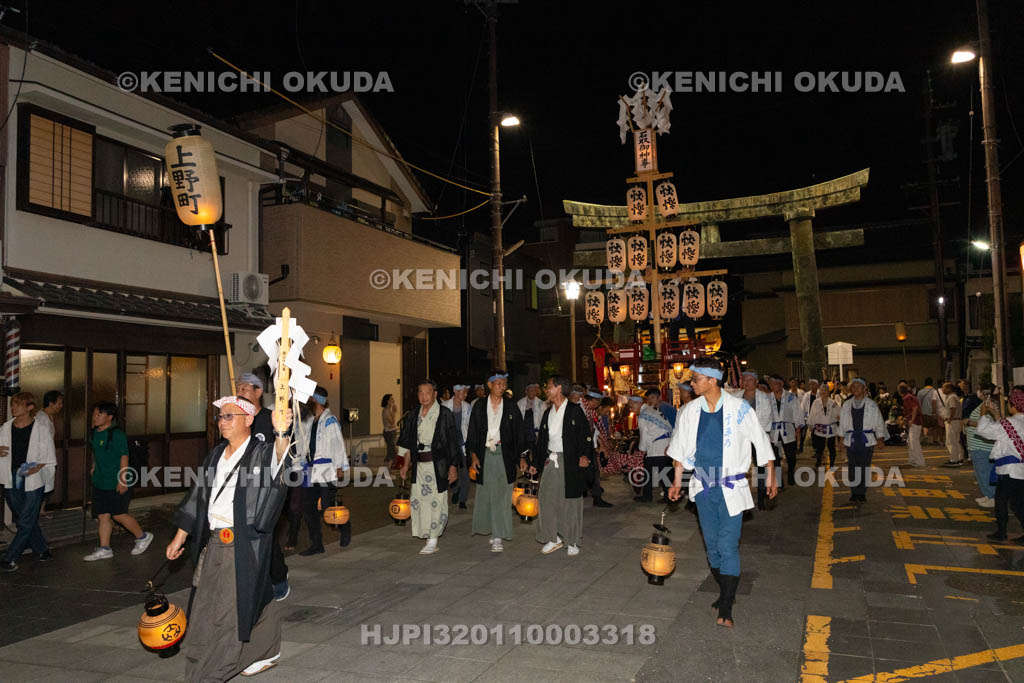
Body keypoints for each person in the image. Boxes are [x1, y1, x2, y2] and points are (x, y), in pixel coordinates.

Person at [165, 395, 293, 680]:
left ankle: (209, 674)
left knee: (226, 612)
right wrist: (180, 536)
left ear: (248, 420)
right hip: (213, 543)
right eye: (220, 417)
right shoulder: (215, 456)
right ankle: (266, 649)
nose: (222, 422)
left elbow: (280, 461)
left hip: (242, 543)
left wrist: (282, 432)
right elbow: (197, 496)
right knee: (211, 604)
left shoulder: (261, 453)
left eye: (229, 416)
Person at [667, 357, 777, 628]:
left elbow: (761, 443)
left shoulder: (740, 409)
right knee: (713, 548)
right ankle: (725, 589)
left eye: (695, 379)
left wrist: (771, 476)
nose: (691, 383)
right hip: (703, 488)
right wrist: (677, 481)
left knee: (728, 546)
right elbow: (679, 451)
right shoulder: (690, 411)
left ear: (711, 380)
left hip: (732, 487)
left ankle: (726, 605)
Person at [236, 372, 290, 601]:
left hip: (267, 487)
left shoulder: (271, 418)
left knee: (264, 534)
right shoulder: (237, 419)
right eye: (238, 389)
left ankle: (278, 578)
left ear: (258, 392)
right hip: (241, 486)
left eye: (245, 389)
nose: (240, 393)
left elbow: (282, 452)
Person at [528, 376, 593, 557]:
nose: (546, 390)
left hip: (570, 461)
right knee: (546, 499)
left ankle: (571, 540)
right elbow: (542, 442)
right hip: (551, 460)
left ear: (558, 388)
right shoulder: (548, 413)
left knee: (570, 502)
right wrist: (536, 464)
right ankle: (553, 537)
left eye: (548, 387)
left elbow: (586, 435)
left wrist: (584, 455)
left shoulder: (574, 411)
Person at [82, 401, 154, 562]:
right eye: (94, 414)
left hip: (117, 481)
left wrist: (123, 480)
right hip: (100, 481)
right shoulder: (94, 433)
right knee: (103, 516)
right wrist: (94, 466)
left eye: (99, 414)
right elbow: (99, 453)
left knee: (119, 515)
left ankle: (142, 537)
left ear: (109, 417)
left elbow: (124, 457)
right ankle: (105, 548)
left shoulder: (116, 434)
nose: (95, 417)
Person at [465, 371, 527, 552]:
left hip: (504, 455)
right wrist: (473, 455)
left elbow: (519, 433)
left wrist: (522, 457)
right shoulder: (479, 406)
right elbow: (473, 432)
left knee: (503, 495)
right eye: (498, 383)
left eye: (504, 383)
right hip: (484, 454)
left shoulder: (511, 406)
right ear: (489, 385)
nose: (502, 386)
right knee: (486, 494)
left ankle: (498, 535)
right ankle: (490, 528)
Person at [397, 380, 461, 554]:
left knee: (436, 501)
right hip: (419, 465)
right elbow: (409, 443)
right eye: (420, 392)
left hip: (437, 465)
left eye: (427, 392)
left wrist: (452, 466)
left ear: (434, 394)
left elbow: (451, 443)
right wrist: (404, 465)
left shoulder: (444, 414)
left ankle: (433, 539)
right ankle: (426, 534)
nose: (424, 396)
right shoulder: (413, 415)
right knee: (418, 500)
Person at [0, 392, 56, 570]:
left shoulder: (40, 428)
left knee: (24, 520)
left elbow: (48, 455)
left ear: (30, 407)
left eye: (17, 404)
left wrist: (37, 467)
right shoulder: (6, 427)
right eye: (12, 404)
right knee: (24, 517)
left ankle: (10, 558)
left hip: (32, 476)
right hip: (14, 475)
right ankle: (42, 549)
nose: (13, 407)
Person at [293, 386, 351, 555]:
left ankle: (345, 526)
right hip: (309, 469)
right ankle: (316, 543)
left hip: (326, 469)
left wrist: (340, 466)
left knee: (327, 506)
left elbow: (337, 443)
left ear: (314, 400)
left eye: (309, 399)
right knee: (308, 507)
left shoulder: (329, 420)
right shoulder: (308, 421)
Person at [976, 388, 1024, 543]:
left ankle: (1001, 532)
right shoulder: (1016, 422)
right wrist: (996, 415)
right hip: (1020, 469)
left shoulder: (1012, 422)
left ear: (1013, 405)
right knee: (1018, 502)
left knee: (1002, 501)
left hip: (1010, 470)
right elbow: (1005, 429)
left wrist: (983, 414)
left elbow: (985, 431)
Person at [729, 371, 773, 510]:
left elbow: (765, 420)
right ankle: (737, 497)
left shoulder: (764, 398)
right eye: (745, 380)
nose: (747, 382)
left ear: (756, 382)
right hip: (739, 440)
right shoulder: (735, 397)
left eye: (750, 380)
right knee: (737, 468)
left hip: (757, 438)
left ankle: (761, 498)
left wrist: (752, 433)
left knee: (760, 468)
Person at [839, 378, 887, 504]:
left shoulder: (871, 404)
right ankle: (854, 492)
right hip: (852, 439)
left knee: (864, 466)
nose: (855, 389)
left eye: (858, 386)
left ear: (864, 389)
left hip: (867, 440)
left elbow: (878, 422)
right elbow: (842, 424)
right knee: (852, 466)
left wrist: (880, 438)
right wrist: (841, 439)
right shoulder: (846, 404)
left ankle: (862, 492)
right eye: (853, 387)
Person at [637, 388, 674, 503]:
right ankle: (667, 495)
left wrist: (642, 449)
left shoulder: (664, 409)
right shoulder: (655, 410)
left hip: (662, 445)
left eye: (652, 398)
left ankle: (651, 496)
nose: (650, 401)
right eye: (648, 399)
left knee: (655, 471)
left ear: (659, 397)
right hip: (665, 444)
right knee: (664, 471)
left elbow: (645, 433)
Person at [963, 384, 996, 508]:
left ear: (983, 393)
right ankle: (988, 495)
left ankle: (992, 496)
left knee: (985, 472)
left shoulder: (988, 405)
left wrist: (969, 423)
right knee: (981, 473)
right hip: (977, 445)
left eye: (979, 390)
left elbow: (988, 424)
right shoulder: (984, 405)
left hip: (982, 446)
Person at [442, 384, 473, 511]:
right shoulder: (444, 406)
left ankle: (462, 499)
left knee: (464, 470)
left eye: (466, 393)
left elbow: (470, 425)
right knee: (450, 468)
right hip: (448, 442)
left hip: (462, 442)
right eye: (463, 392)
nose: (465, 395)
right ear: (455, 391)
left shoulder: (467, 407)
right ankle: (455, 489)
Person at [580, 390, 613, 507]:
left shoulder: (589, 411)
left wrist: (602, 445)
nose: (598, 405)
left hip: (590, 446)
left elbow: (594, 429)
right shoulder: (580, 408)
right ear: (593, 400)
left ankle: (596, 495)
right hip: (582, 447)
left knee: (594, 472)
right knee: (589, 473)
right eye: (597, 402)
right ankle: (592, 494)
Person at [767, 376, 800, 487]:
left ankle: (791, 472)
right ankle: (779, 480)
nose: (772, 386)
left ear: (781, 384)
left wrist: (798, 428)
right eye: (770, 384)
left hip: (788, 429)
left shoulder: (791, 397)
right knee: (775, 457)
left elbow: (797, 412)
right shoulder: (767, 397)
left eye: (774, 383)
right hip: (774, 431)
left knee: (791, 456)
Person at [36, 390, 63, 519]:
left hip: (49, 458)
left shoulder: (49, 417)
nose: (61, 406)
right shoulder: (41, 419)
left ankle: (41, 510)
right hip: (43, 459)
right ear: (51, 403)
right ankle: (37, 511)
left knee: (47, 485)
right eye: (59, 403)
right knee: (42, 485)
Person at [808, 384, 840, 468]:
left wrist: (838, 418)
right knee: (819, 448)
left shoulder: (833, 402)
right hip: (819, 428)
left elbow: (839, 413)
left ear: (828, 391)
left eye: (825, 390)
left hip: (831, 428)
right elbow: (812, 414)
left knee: (831, 447)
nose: (824, 392)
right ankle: (818, 461)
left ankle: (832, 463)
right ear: (820, 391)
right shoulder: (816, 402)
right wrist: (811, 425)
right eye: (822, 390)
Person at [899, 384, 925, 467]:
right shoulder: (910, 396)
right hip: (915, 421)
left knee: (914, 442)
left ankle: (919, 462)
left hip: (915, 421)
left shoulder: (908, 398)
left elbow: (915, 408)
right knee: (910, 442)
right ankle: (912, 460)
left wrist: (912, 420)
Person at [516, 383, 547, 451]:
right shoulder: (519, 403)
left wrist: (540, 435)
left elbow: (544, 421)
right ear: (526, 392)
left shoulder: (541, 404)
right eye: (531, 390)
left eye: (534, 390)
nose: (533, 392)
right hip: (523, 434)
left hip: (535, 434)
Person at [940, 382, 964, 467]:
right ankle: (959, 457)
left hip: (953, 421)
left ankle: (954, 459)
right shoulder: (955, 396)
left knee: (951, 441)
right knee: (956, 441)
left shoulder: (951, 397)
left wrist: (950, 418)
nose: (942, 389)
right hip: (956, 421)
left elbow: (952, 408)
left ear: (949, 389)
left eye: (944, 387)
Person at [797, 379, 820, 453]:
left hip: (817, 418)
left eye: (813, 384)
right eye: (810, 384)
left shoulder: (820, 394)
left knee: (815, 434)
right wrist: (802, 417)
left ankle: (816, 449)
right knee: (803, 433)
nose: (812, 386)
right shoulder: (807, 394)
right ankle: (800, 447)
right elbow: (803, 406)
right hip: (807, 417)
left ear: (817, 385)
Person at [917, 378, 941, 445]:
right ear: (932, 383)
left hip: (924, 411)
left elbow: (918, 403)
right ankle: (935, 440)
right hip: (934, 412)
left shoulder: (920, 392)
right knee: (935, 427)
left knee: (925, 425)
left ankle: (925, 437)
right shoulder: (936, 392)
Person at [381, 394, 399, 469]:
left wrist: (393, 411)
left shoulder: (388, 410)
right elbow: (392, 422)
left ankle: (387, 471)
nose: (393, 401)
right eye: (391, 399)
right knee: (392, 452)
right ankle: (388, 471)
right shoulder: (385, 411)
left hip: (391, 432)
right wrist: (394, 412)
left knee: (391, 452)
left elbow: (392, 422)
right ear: (387, 401)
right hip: (389, 433)